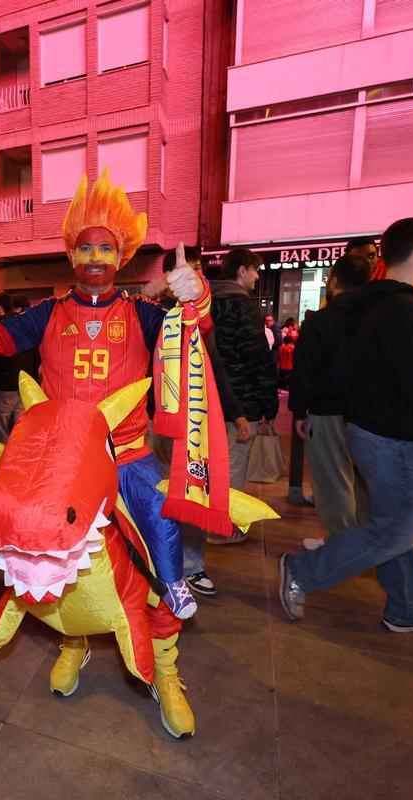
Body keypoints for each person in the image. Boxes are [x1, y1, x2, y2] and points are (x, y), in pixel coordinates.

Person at [0, 170, 209, 737]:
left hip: (127, 455)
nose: (94, 255)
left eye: (105, 246)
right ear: (71, 252)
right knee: (51, 552)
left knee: (163, 545)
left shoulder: (142, 314)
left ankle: (165, 668)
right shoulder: (50, 311)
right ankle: (75, 638)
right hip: (63, 462)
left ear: (122, 254)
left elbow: (192, 334)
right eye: (85, 244)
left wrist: (195, 296)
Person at [279, 217, 413, 635]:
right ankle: (303, 570)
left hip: (375, 433)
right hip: (399, 440)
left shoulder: (371, 307)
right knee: (392, 531)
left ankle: (407, 608)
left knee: (397, 528)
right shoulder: (403, 311)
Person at [147, 245, 249, 597]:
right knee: (158, 497)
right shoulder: (151, 313)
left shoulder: (200, 314)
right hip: (155, 421)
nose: (191, 276)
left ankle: (191, 566)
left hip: (195, 424)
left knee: (193, 492)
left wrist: (235, 412)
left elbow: (215, 366)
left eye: (198, 269)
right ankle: (159, 563)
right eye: (185, 269)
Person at [289, 254, 373, 544]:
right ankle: (363, 541)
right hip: (371, 413)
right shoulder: (377, 318)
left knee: (333, 481)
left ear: (334, 281)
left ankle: (342, 545)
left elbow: (304, 371)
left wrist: (299, 410)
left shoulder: (320, 321)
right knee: (364, 480)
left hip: (327, 412)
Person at [207, 248, 278, 545]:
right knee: (233, 467)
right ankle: (222, 528)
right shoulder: (244, 308)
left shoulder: (205, 304)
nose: (257, 276)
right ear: (241, 271)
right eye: (254, 270)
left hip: (207, 399)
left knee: (209, 465)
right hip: (241, 400)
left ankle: (207, 521)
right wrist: (268, 404)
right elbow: (258, 360)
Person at [0, 292, 36, 444]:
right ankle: (17, 466)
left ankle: (0, 467)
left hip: (0, 388)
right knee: (19, 435)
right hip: (22, 387)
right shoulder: (24, 324)